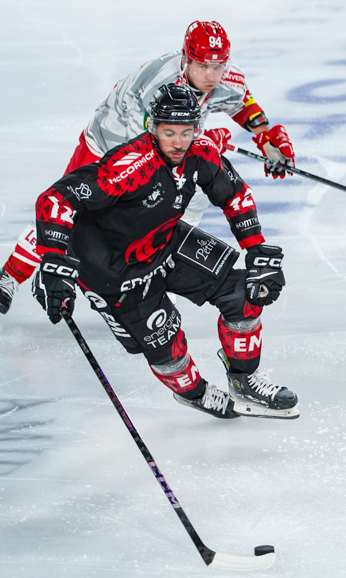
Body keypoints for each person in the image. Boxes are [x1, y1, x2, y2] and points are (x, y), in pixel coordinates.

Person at [0, 20, 296, 322]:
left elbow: (242, 103)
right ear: (186, 60)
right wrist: (204, 141)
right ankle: (10, 275)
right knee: (72, 211)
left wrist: (267, 139)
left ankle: (152, 271)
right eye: (202, 65)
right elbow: (148, 148)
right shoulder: (159, 85)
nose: (211, 74)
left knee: (174, 208)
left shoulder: (227, 76)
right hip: (108, 143)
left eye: (218, 66)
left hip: (167, 144)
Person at [31, 82, 298, 420]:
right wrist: (54, 260)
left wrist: (256, 248)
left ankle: (244, 381)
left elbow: (234, 194)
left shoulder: (200, 152)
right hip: (112, 272)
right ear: (152, 127)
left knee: (246, 291)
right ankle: (195, 394)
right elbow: (55, 198)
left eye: (186, 132)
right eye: (169, 132)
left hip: (165, 241)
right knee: (169, 356)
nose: (178, 142)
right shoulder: (130, 167)